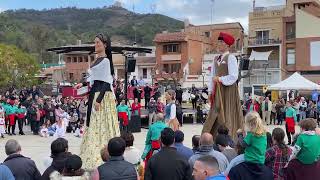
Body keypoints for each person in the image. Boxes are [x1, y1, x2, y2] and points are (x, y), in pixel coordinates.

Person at [74, 33, 120, 169]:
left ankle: (104, 151)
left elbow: (106, 82)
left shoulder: (106, 61)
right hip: (95, 93)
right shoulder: (97, 60)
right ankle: (92, 150)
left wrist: (99, 100)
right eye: (95, 42)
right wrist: (81, 84)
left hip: (103, 96)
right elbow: (93, 78)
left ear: (105, 45)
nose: (96, 45)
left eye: (98, 43)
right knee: (94, 123)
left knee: (101, 123)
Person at [203, 32, 243, 139]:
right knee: (215, 112)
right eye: (219, 41)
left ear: (227, 45)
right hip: (217, 90)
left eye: (221, 42)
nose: (219, 44)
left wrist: (220, 79)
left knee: (227, 112)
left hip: (228, 90)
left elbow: (234, 76)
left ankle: (230, 137)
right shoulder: (216, 59)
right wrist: (210, 91)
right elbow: (212, 76)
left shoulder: (231, 58)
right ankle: (210, 136)